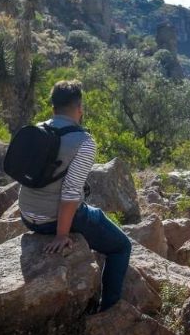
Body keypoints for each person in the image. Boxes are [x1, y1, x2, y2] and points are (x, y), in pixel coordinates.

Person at [18, 80, 131, 311]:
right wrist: (61, 235)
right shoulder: (84, 142)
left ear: (53, 108)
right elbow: (70, 193)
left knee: (93, 215)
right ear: (79, 108)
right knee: (121, 247)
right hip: (51, 222)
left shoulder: (38, 129)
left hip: (27, 215)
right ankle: (109, 310)